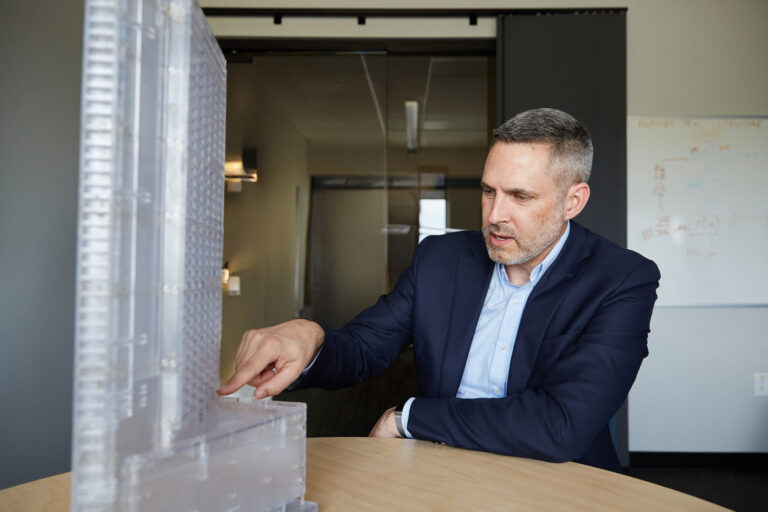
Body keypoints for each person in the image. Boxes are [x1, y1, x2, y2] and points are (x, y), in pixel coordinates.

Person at [217, 107, 660, 472]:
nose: (494, 215)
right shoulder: (441, 258)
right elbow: (366, 347)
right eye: (488, 191)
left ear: (573, 202)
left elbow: (561, 425)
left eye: (520, 197)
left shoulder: (623, 279)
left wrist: (408, 419)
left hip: (559, 482)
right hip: (436, 468)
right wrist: (311, 338)